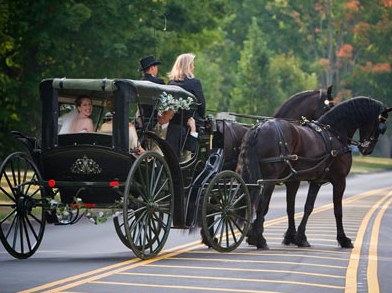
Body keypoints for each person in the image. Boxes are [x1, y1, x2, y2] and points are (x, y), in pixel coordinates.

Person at [168, 53, 206, 120]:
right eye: (192, 64)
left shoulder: (170, 83)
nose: (193, 67)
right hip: (190, 121)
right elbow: (201, 105)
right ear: (189, 66)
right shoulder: (195, 82)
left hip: (173, 119)